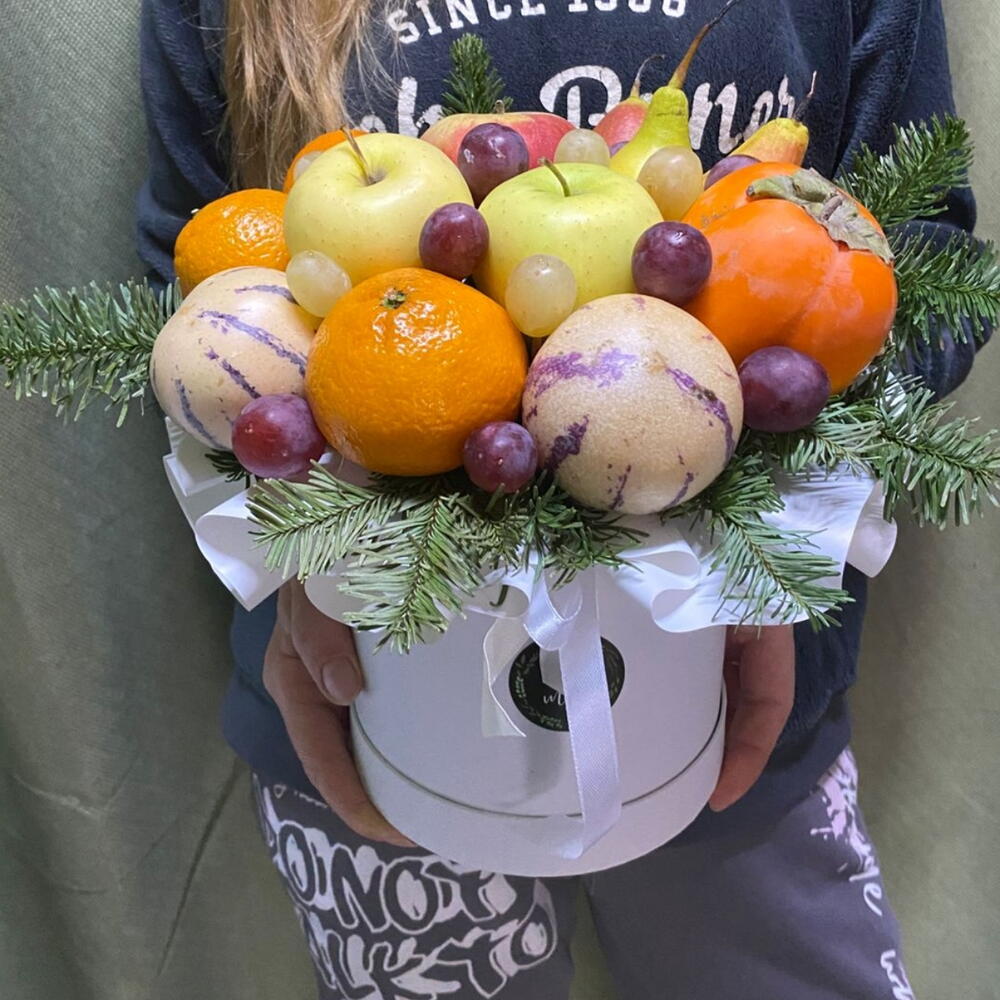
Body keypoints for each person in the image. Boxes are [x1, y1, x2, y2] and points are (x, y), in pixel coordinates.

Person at [137, 0, 987, 996]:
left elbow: (927, 266)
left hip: (731, 701)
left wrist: (750, 528)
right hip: (376, 691)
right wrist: (306, 558)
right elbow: (191, 291)